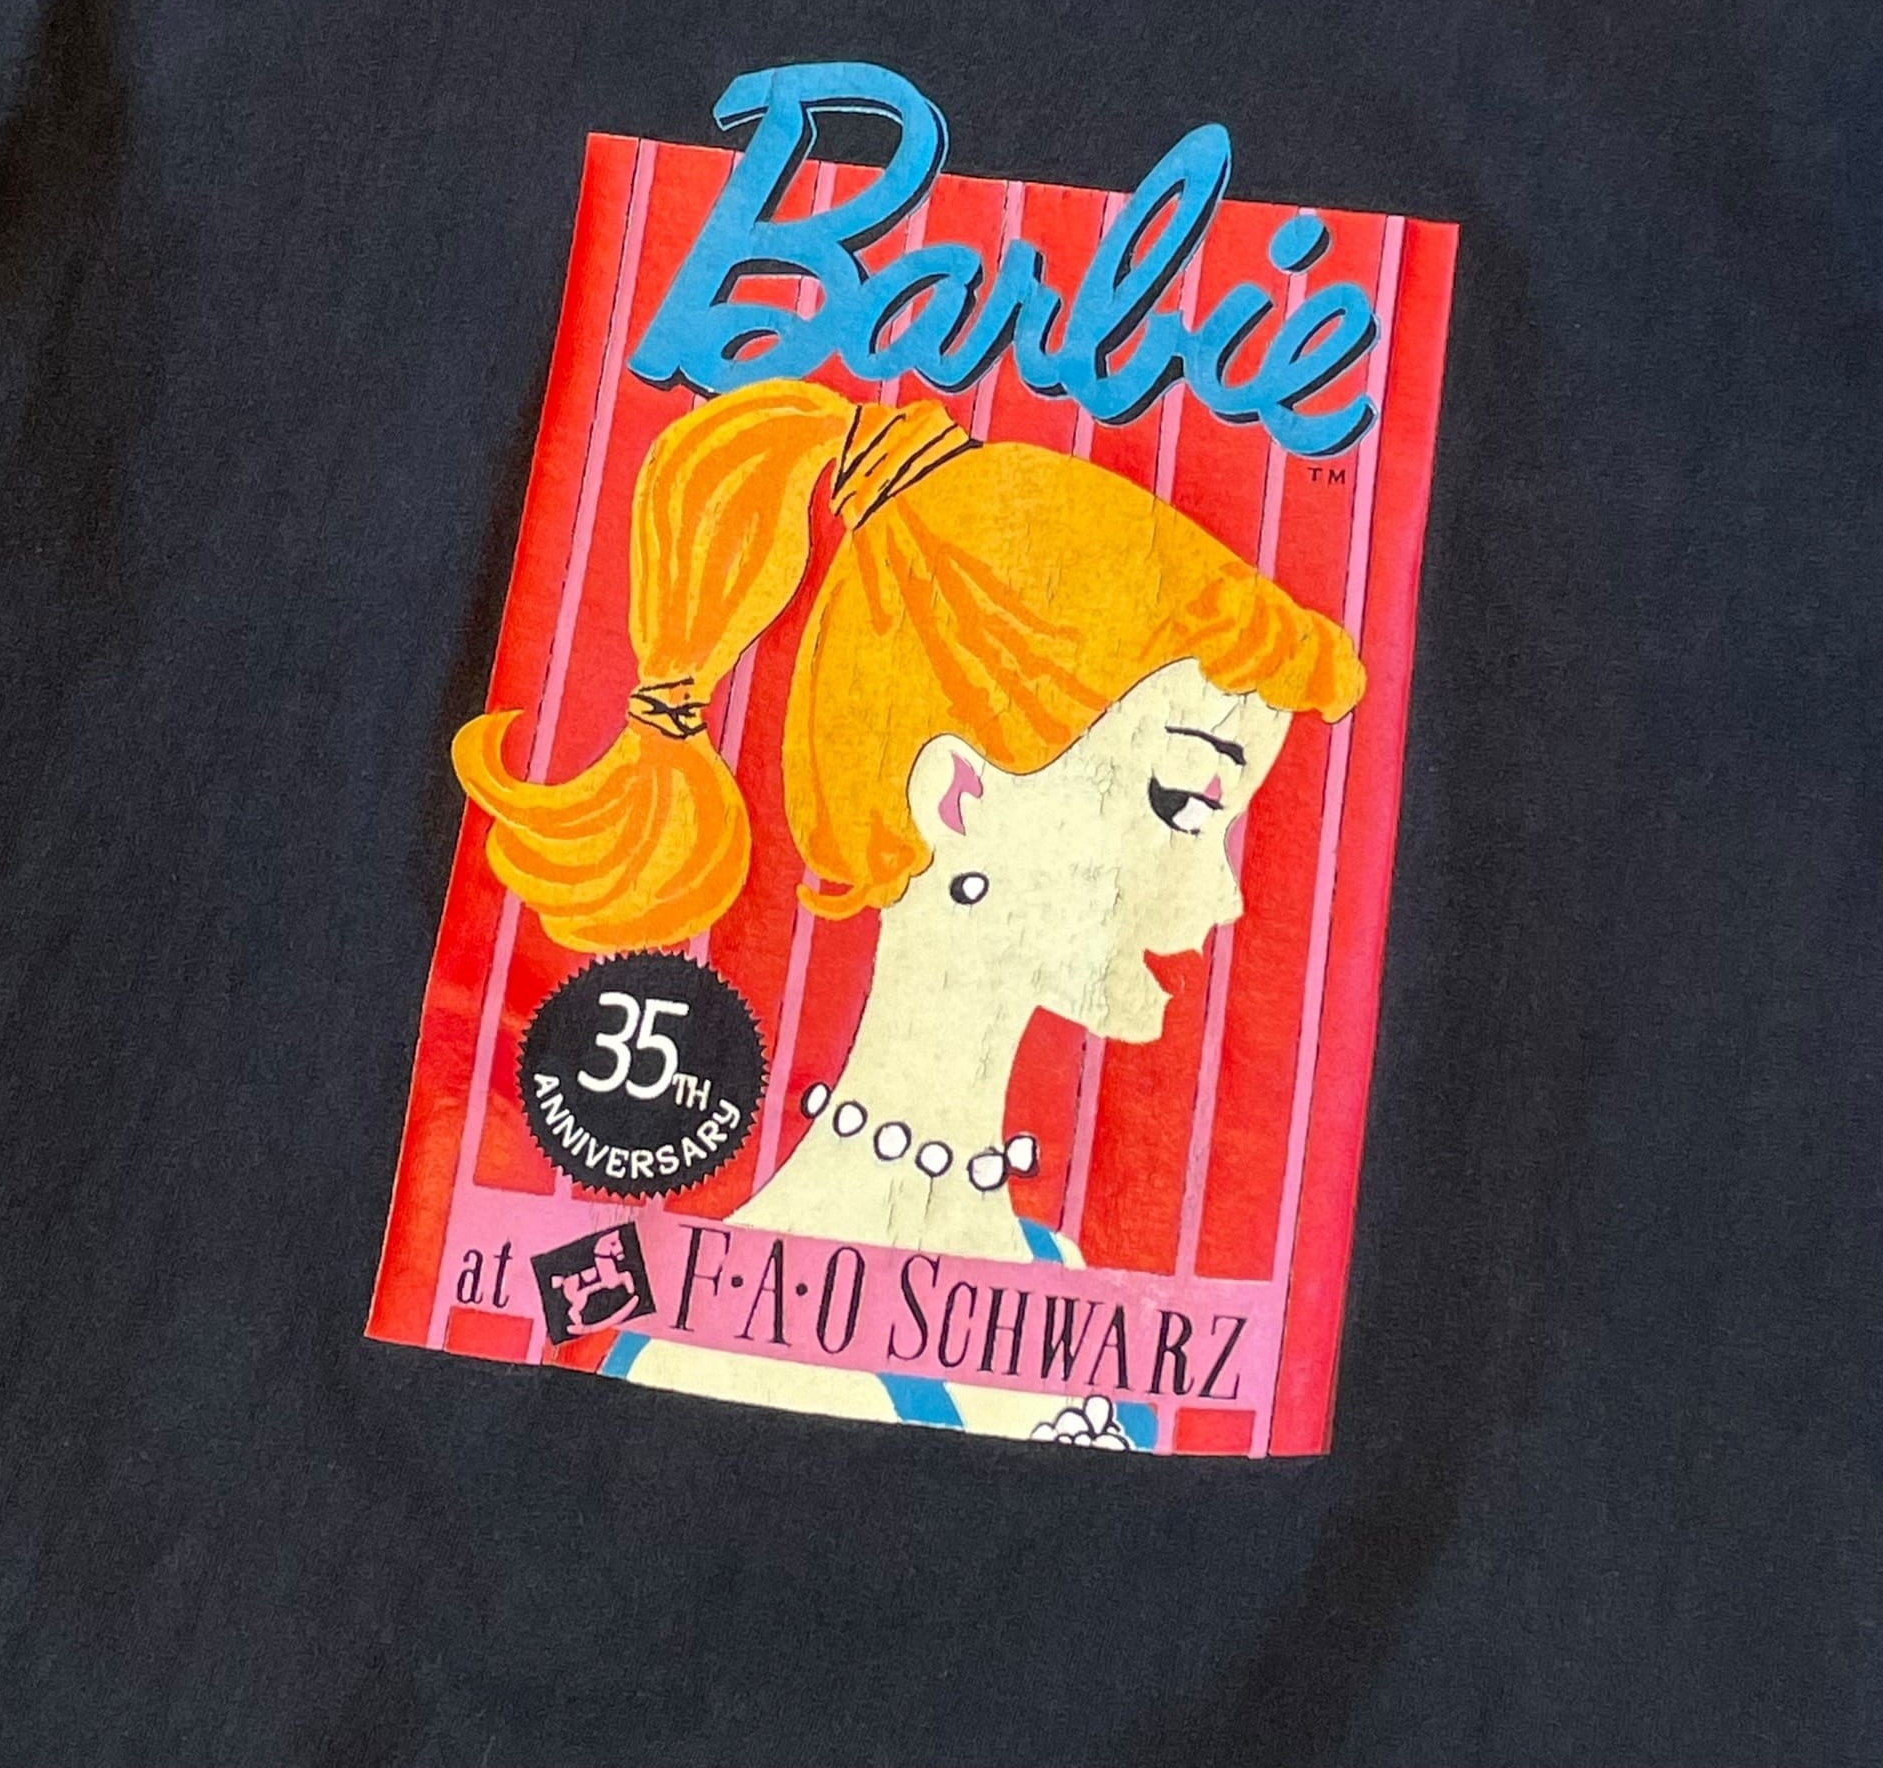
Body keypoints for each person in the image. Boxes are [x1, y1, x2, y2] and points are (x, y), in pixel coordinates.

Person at [454, 376, 1366, 1440]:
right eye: (1181, 805)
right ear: (960, 798)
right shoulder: (733, 1351)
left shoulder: (1059, 1274)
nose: (1225, 895)